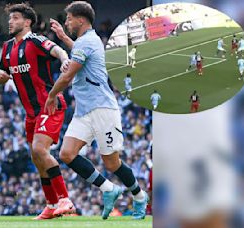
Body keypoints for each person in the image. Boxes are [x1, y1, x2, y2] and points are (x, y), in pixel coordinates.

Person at [46, 1, 148, 220]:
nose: (67, 22)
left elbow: (67, 76)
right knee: (66, 154)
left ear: (80, 20)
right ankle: (109, 189)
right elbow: (79, 53)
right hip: (84, 112)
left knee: (112, 162)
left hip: (102, 109)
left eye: (69, 18)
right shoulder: (87, 41)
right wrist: (64, 38)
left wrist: (52, 95)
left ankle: (140, 197)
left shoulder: (88, 42)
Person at [0, 3, 74, 220]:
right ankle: (51, 204)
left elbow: (57, 49)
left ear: (27, 22)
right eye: (10, 18)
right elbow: (1, 71)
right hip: (30, 113)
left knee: (40, 150)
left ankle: (65, 199)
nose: (11, 21)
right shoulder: (7, 47)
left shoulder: (35, 41)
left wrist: (65, 60)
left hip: (50, 104)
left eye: (16, 17)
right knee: (37, 159)